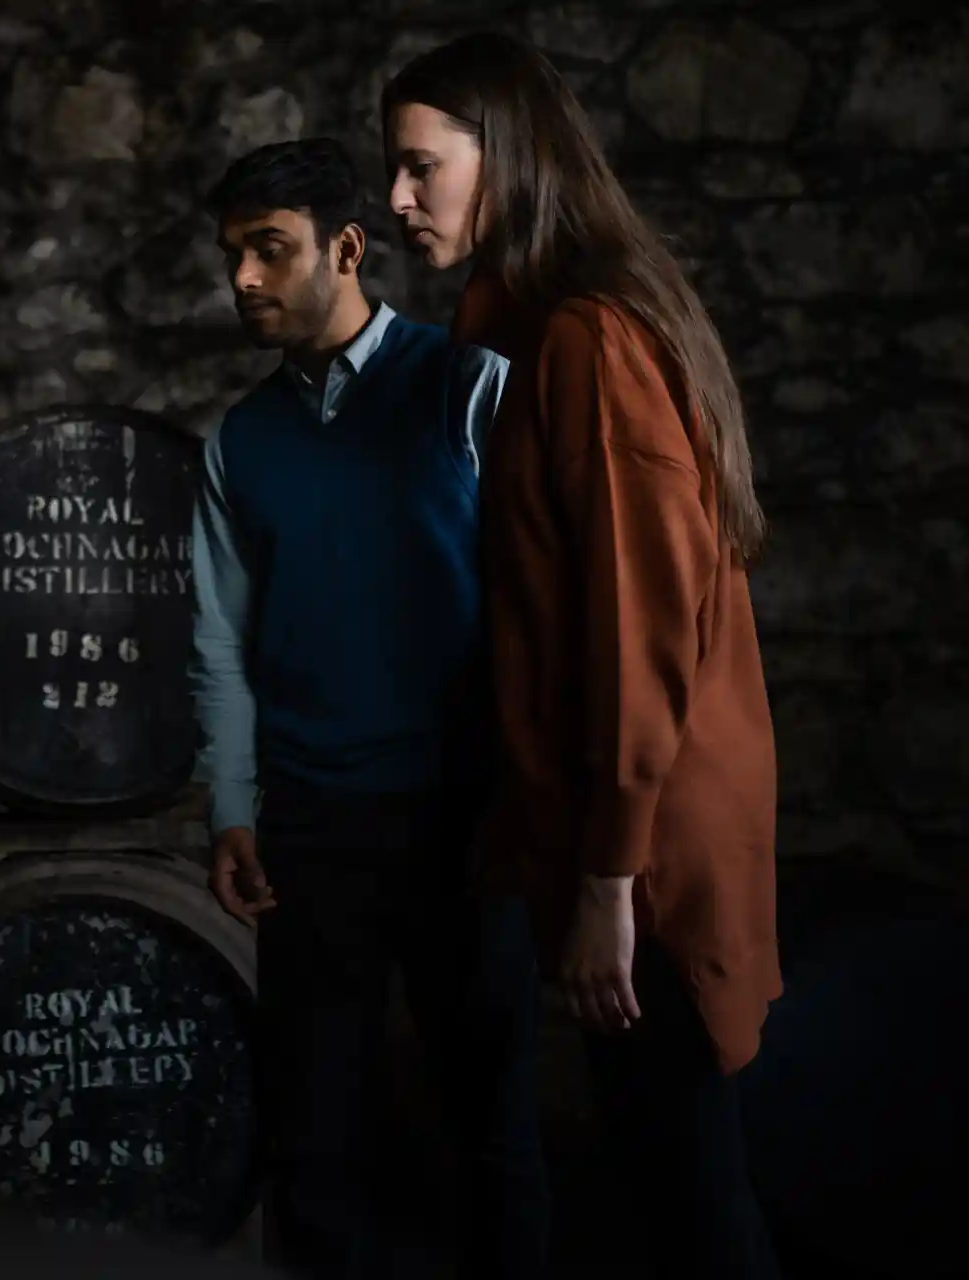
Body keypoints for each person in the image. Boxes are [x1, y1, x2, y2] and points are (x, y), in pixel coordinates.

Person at [381, 31, 784, 1280]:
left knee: (691, 1194)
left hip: (650, 835)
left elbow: (635, 630)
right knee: (654, 1167)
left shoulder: (590, 341)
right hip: (602, 821)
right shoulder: (512, 315)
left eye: (419, 168)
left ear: (503, 159)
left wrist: (611, 882)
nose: (396, 199)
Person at [189, 137, 548, 1279]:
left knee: (493, 1127)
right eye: (233, 255)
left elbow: (539, 612)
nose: (244, 279)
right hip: (312, 832)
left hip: (468, 825)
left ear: (348, 249)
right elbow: (222, 640)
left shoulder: (467, 384)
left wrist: (528, 801)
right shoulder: (243, 438)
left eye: (270, 250)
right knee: (316, 1142)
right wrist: (233, 808)